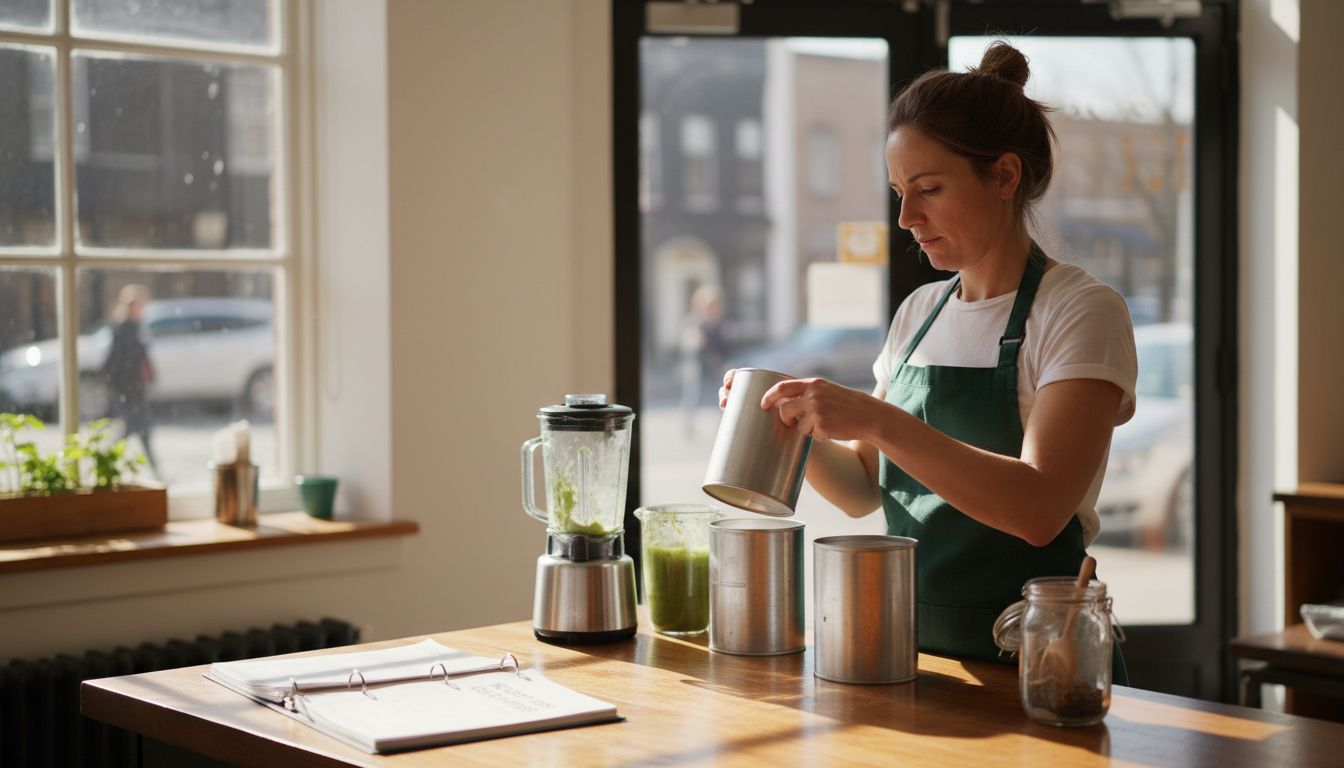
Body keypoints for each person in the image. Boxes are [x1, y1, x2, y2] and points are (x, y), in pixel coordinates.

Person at [720, 41, 1137, 663]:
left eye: (929, 189)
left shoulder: (1078, 309)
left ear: (1004, 175)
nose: (907, 217)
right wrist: (793, 422)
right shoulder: (920, 312)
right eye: (898, 192)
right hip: (911, 654)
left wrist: (877, 419)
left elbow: (1040, 507)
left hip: (1038, 659)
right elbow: (866, 487)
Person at [102, 283, 157, 472]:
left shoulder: (137, 326)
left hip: (136, 386)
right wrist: (113, 386)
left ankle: (106, 461)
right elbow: (115, 360)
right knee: (135, 428)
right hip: (127, 387)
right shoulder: (124, 329)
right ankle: (105, 461)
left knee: (140, 429)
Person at [678, 283, 728, 437]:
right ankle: (688, 426)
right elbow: (689, 345)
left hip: (714, 367)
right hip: (698, 367)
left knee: (718, 396)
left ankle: (722, 426)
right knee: (693, 396)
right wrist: (695, 342)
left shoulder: (718, 325)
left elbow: (723, 346)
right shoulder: (695, 323)